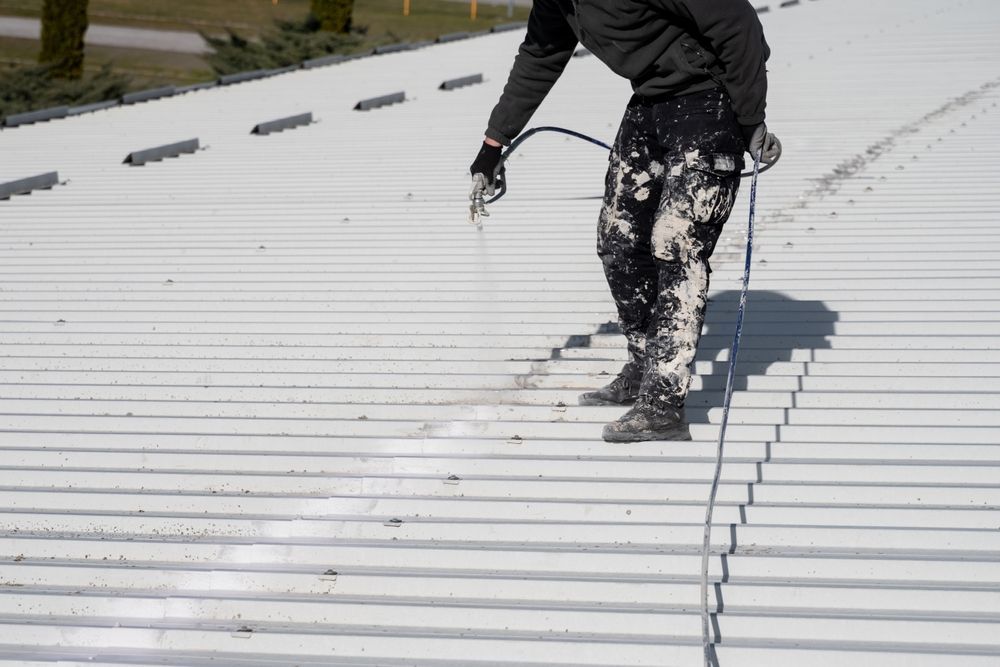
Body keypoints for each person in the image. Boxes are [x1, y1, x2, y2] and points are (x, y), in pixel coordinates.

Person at [470, 0, 781, 443]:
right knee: (618, 239)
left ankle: (662, 404)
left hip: (709, 100)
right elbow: (540, 55)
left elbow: (738, 24)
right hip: (651, 102)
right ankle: (642, 364)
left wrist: (751, 118)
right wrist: (493, 143)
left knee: (676, 243)